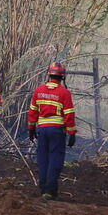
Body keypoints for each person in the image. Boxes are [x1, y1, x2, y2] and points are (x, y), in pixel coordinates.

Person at [27, 62, 76, 200]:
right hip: (57, 131)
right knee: (55, 159)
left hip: (42, 130)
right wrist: (72, 133)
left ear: (48, 75)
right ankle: (49, 190)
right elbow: (69, 114)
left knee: (43, 159)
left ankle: (43, 189)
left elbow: (32, 112)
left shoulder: (38, 90)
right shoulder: (64, 93)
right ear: (62, 77)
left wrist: (31, 129)